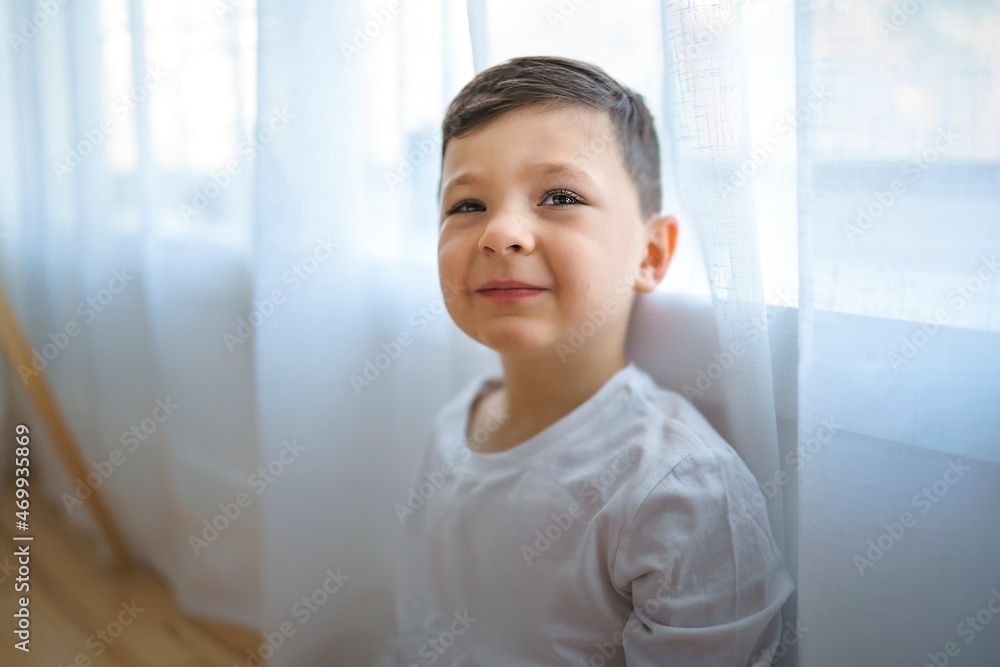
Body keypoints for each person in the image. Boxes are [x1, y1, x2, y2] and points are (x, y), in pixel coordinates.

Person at [378, 55, 794, 666]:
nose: (500, 233)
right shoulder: (452, 427)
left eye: (559, 195)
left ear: (651, 253)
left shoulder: (681, 488)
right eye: (466, 205)